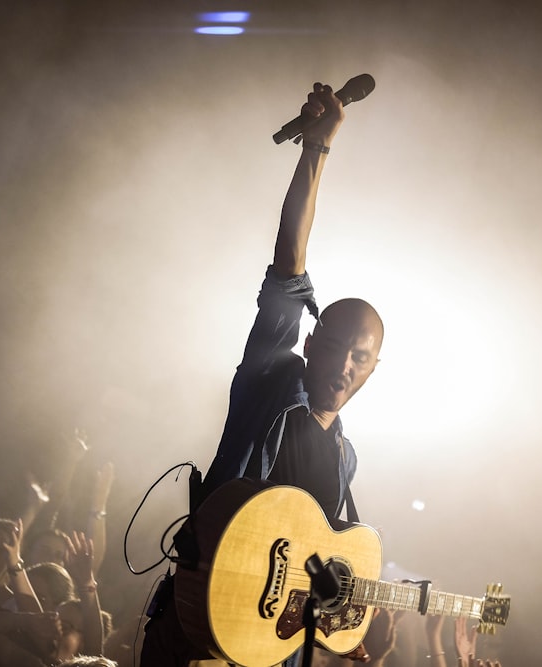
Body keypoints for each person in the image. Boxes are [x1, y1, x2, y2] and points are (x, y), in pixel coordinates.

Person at [140, 80, 384, 667]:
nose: (346, 367)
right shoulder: (272, 380)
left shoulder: (345, 461)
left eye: (362, 358)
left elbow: (303, 582)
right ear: (310, 340)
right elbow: (288, 264)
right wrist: (315, 151)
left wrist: (338, 624)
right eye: (339, 349)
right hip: (199, 637)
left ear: (376, 369)